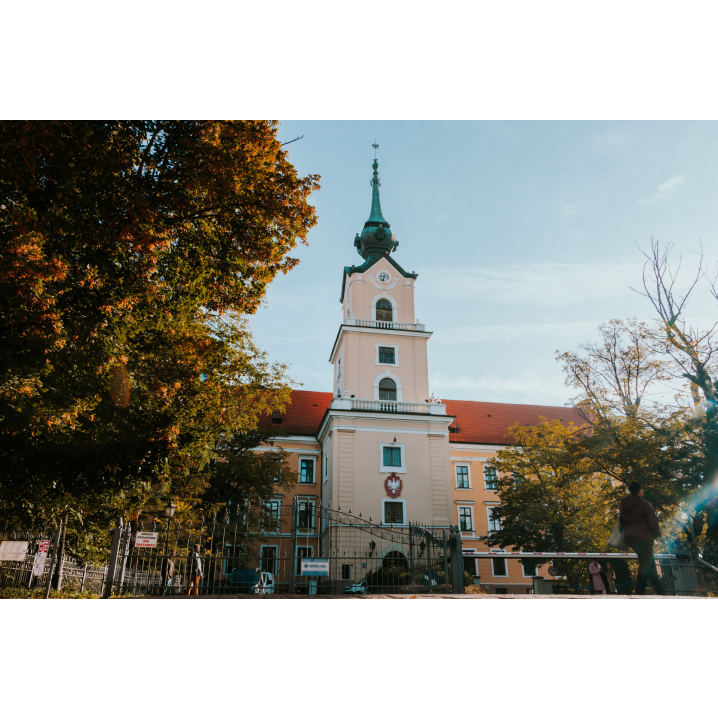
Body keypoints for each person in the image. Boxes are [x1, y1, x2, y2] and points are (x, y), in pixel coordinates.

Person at [619, 481, 663, 595]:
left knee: (649, 562)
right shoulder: (645, 504)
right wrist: (657, 534)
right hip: (643, 537)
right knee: (645, 563)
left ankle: (661, 591)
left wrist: (629, 529)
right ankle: (639, 592)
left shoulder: (624, 504)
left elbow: (621, 521)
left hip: (630, 537)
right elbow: (653, 521)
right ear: (639, 490)